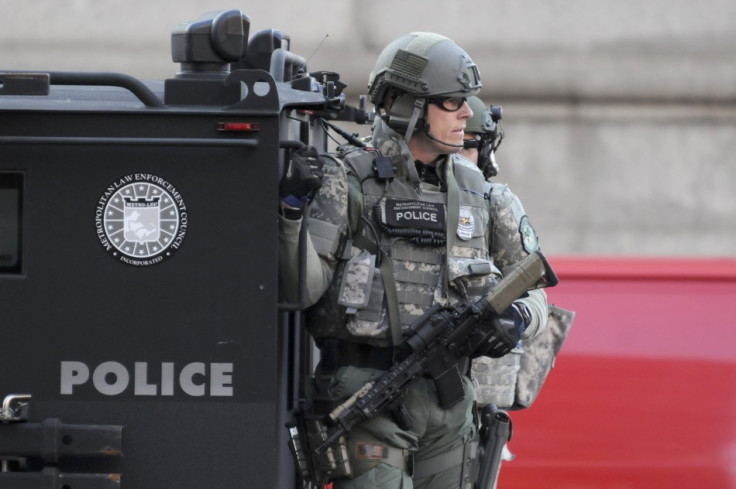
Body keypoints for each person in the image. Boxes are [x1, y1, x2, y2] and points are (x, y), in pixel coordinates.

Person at [278, 32, 549, 489]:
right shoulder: (345, 180)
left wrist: (518, 318)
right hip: (367, 397)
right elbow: (299, 291)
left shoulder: (480, 191)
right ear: (407, 105)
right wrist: (288, 216)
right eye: (452, 102)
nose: (467, 113)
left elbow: (535, 287)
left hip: (451, 406)